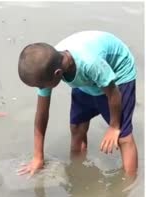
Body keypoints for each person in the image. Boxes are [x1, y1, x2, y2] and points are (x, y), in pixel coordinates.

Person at [17, 31, 138, 177]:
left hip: (118, 76)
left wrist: (114, 126)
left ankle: (128, 187)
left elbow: (113, 92)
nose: (41, 89)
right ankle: (78, 172)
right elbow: (41, 113)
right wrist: (38, 157)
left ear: (57, 74)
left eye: (41, 86)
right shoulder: (47, 65)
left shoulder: (90, 62)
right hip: (87, 80)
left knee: (123, 138)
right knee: (77, 127)